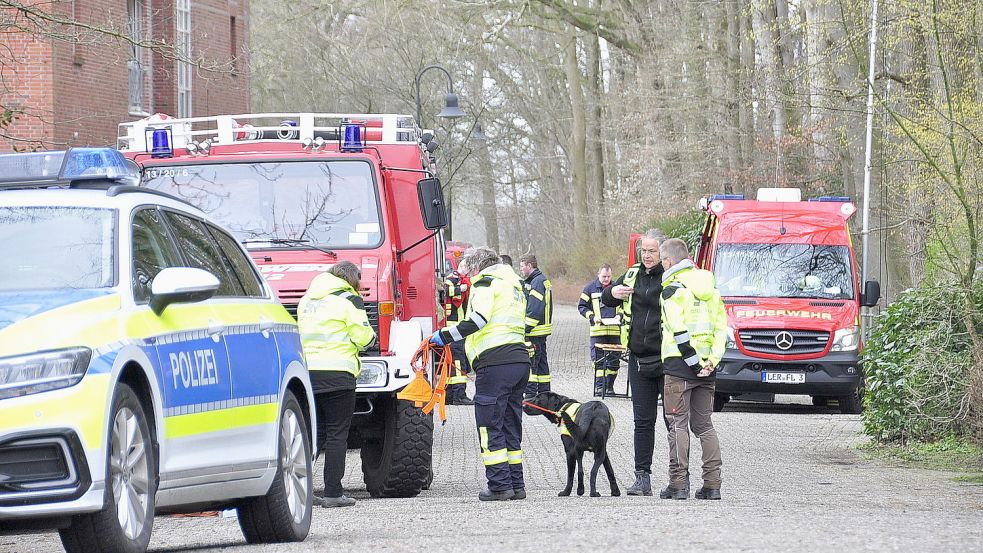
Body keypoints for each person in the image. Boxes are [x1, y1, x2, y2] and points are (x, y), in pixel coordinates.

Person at [430, 247, 530, 501]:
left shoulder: (486, 283)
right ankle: (516, 485)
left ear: (477, 267)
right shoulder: (514, 285)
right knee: (510, 424)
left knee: (489, 424)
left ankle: (499, 485)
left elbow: (479, 320)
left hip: (494, 363)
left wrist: (445, 335)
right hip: (518, 360)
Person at [297, 261, 376, 508]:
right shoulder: (348, 300)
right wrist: (370, 339)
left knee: (312, 434)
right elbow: (364, 337)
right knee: (336, 435)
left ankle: (301, 491)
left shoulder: (307, 300)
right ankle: (333, 493)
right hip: (339, 374)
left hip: (308, 374)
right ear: (352, 280)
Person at [601, 229, 669, 497]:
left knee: (672, 421)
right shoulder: (632, 274)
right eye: (644, 251)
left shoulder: (671, 275)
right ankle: (642, 478)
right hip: (639, 360)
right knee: (643, 421)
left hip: (667, 359)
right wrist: (613, 292)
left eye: (652, 251)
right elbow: (607, 298)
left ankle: (679, 476)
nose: (648, 255)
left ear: (662, 252)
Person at [658, 238, 726, 500]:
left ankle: (678, 484)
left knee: (677, 424)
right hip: (708, 369)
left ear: (669, 261)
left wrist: (693, 362)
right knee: (705, 426)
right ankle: (713, 484)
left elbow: (678, 330)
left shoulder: (672, 289)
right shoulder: (712, 289)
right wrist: (711, 362)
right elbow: (722, 330)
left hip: (679, 366)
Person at [578, 264, 622, 395]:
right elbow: (582, 307)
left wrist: (620, 315)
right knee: (598, 361)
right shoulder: (589, 289)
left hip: (614, 331)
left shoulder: (617, 288)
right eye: (604, 276)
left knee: (614, 362)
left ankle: (609, 387)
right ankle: (600, 387)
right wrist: (592, 317)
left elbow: (625, 306)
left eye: (608, 276)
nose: (606, 279)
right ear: (598, 274)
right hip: (598, 331)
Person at [519, 253, 553, 398]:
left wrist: (524, 330)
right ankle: (545, 395)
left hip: (534, 332)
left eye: (522, 267)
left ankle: (531, 398)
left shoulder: (537, 282)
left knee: (532, 366)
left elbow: (535, 310)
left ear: (529, 265)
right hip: (540, 332)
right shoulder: (539, 280)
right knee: (541, 366)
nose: (521, 270)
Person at [443, 259, 474, 405]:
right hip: (454, 327)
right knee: (458, 361)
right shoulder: (452, 280)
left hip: (458, 327)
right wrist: (459, 289)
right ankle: (459, 395)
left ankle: (450, 395)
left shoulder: (462, 280)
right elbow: (444, 291)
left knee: (453, 361)